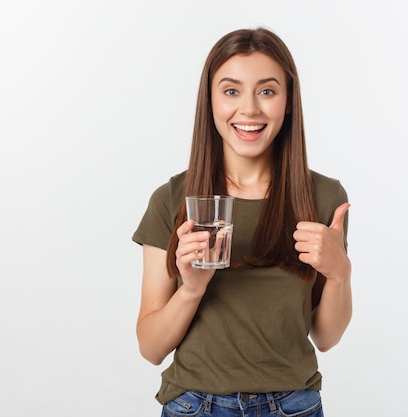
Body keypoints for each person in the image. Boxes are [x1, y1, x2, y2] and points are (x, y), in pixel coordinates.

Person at [132, 27, 352, 417]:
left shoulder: (323, 198)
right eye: (231, 91)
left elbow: (326, 336)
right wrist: (192, 289)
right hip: (194, 406)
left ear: (288, 102)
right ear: (210, 101)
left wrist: (339, 274)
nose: (249, 110)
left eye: (267, 91)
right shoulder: (171, 200)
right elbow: (150, 348)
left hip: (294, 405)